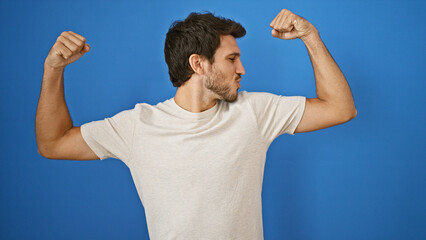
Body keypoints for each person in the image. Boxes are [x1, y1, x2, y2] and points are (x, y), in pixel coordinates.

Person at [36, 9, 357, 240]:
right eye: (232, 59)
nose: (242, 68)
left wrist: (310, 37)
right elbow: (53, 143)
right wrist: (53, 69)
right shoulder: (138, 125)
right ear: (198, 63)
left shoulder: (256, 111)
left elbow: (340, 108)